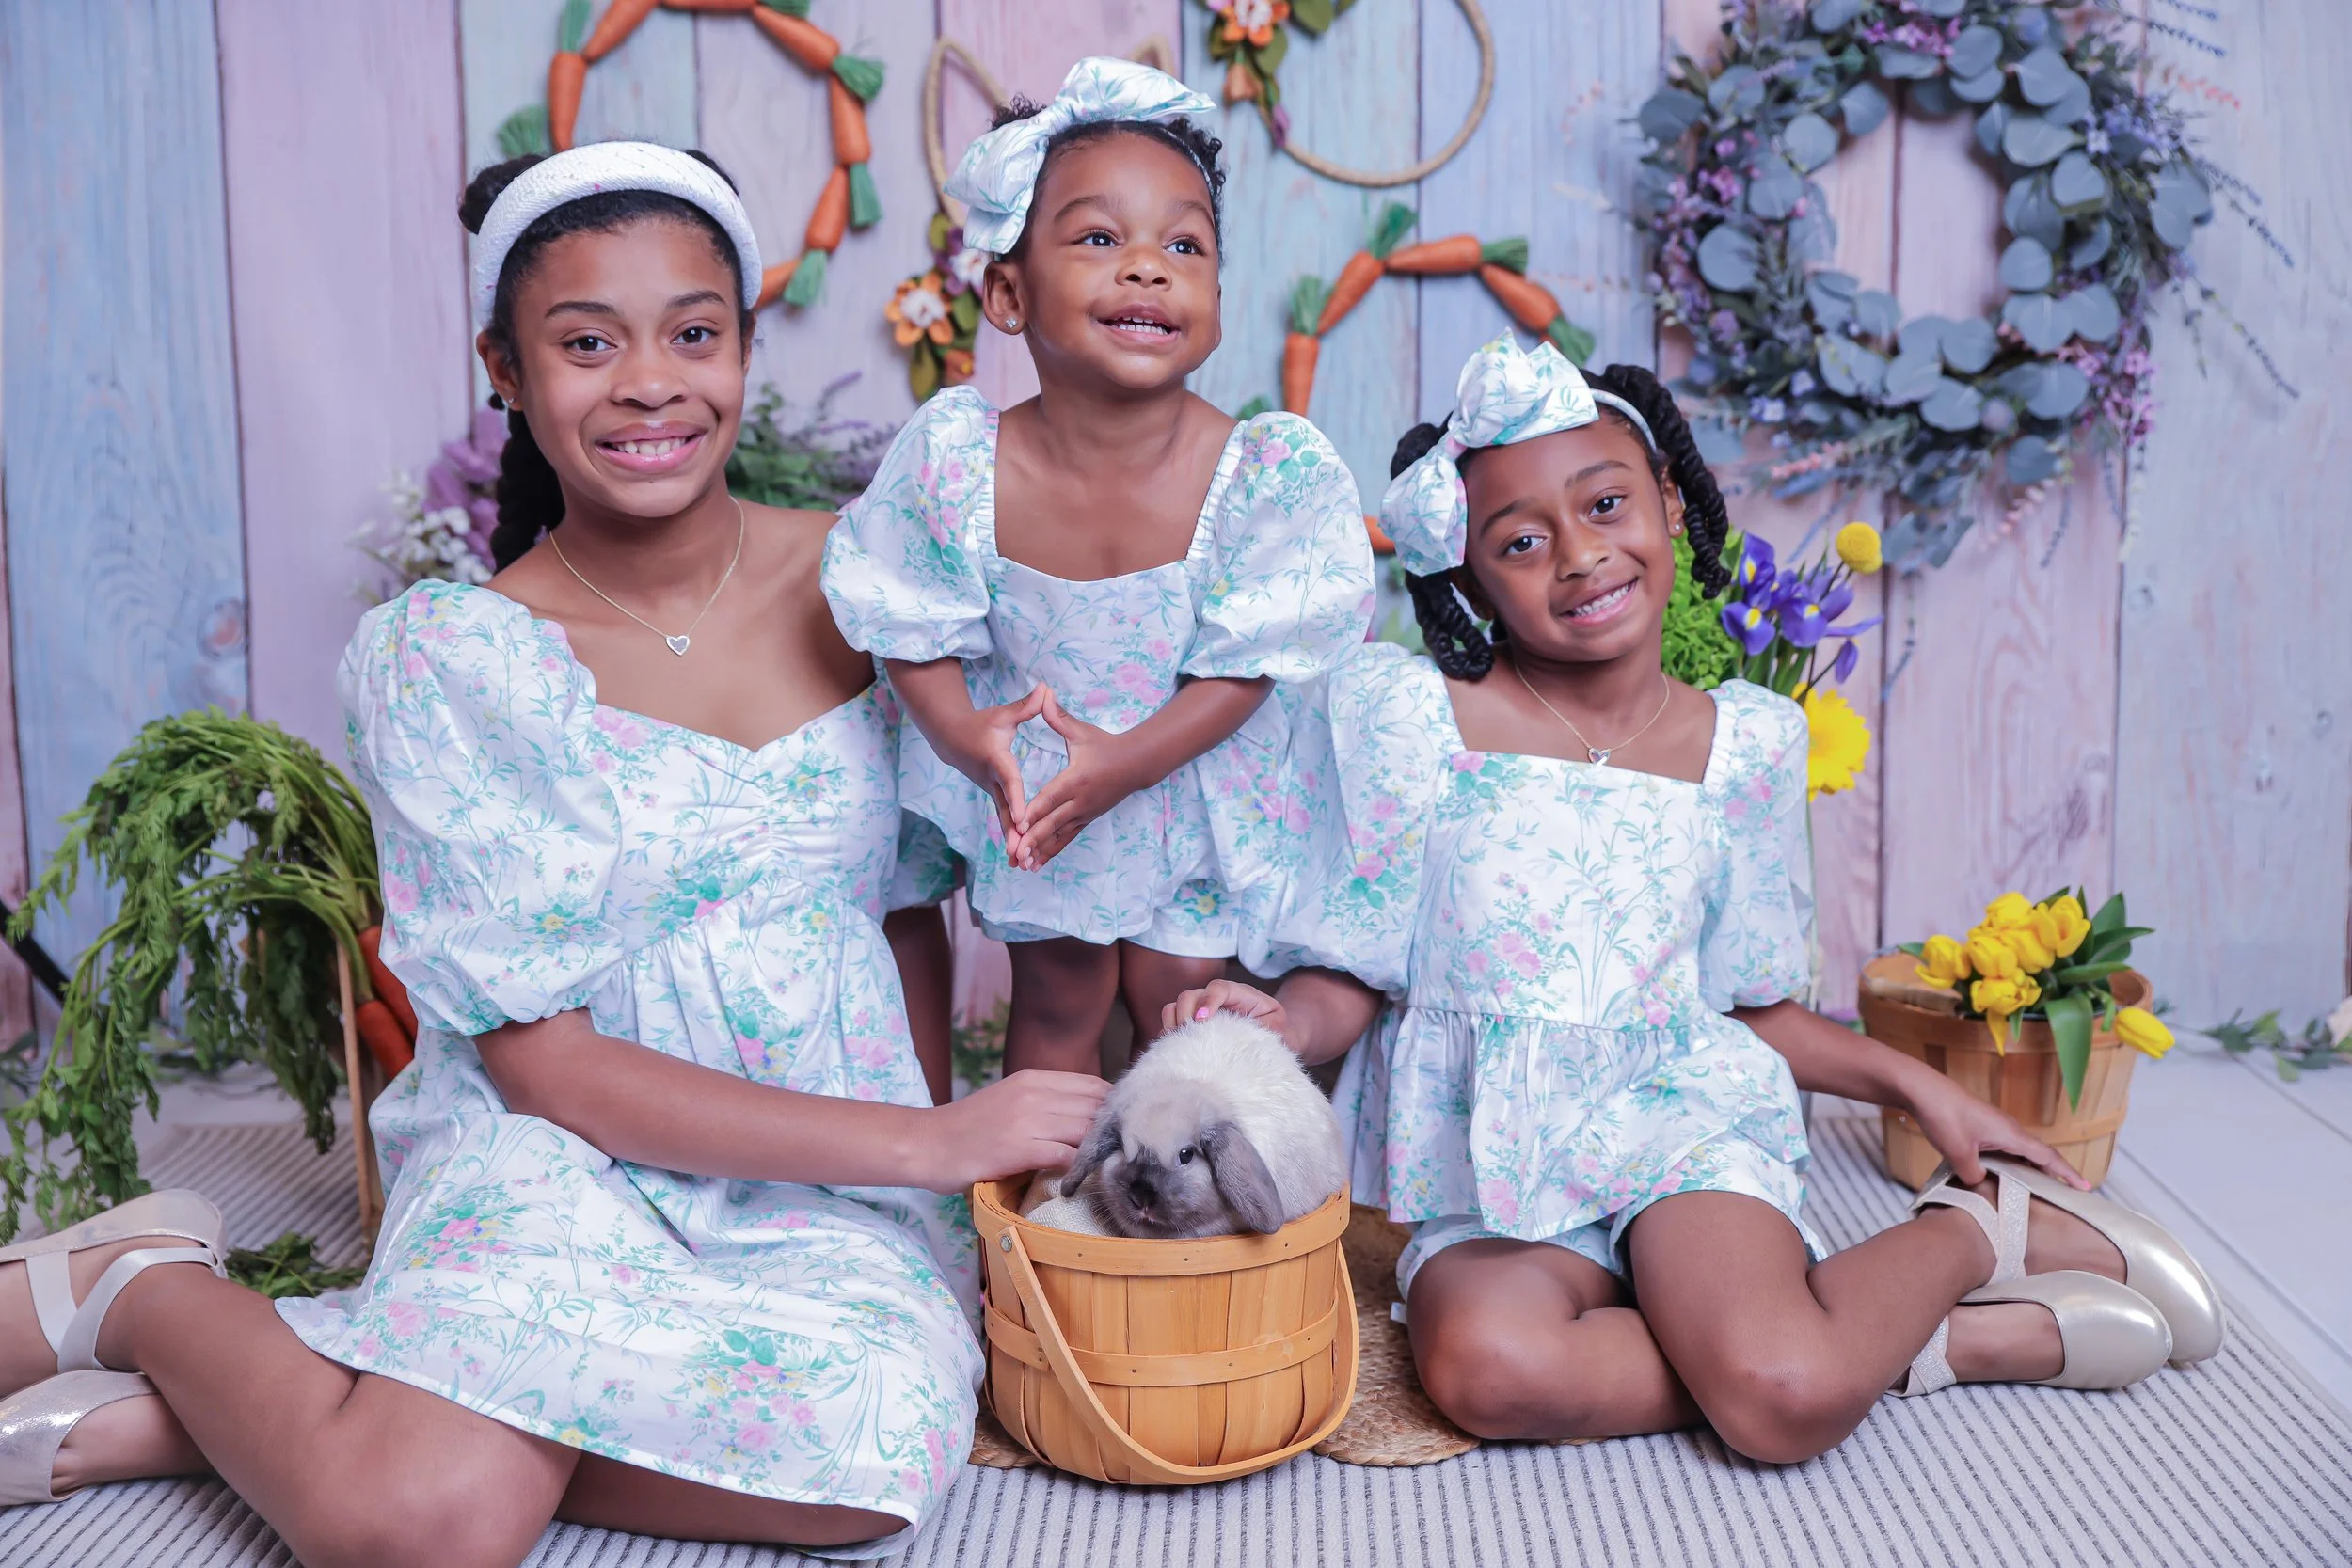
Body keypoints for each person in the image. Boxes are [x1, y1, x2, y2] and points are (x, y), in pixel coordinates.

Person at [0, 142, 1106, 1563]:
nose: (650, 383)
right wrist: (932, 1139)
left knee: (865, 1465)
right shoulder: (458, 658)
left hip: (824, 1164)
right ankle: (147, 1287)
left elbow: (900, 913)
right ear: (507, 372)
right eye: (588, 344)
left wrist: (928, 1184)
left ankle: (267, 1409)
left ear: (744, 346)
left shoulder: (872, 588)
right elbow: (548, 1067)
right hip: (560, 1151)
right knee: (417, 1524)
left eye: (692, 334)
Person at [1163, 335, 2223, 1461]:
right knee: (1487, 1369)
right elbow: (1353, 969)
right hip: (1493, 1158)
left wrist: (1923, 1089)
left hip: (1679, 1119)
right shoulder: (1412, 721)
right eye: (1520, 540)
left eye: (1604, 504)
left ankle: (1979, 1225)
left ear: (1669, 501)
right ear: (1466, 572)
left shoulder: (1747, 747)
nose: (1579, 554)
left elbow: (1749, 1004)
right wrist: (1280, 1025)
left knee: (1780, 1399)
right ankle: (1946, 1339)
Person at [822, 58, 1374, 1078]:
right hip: (1046, 797)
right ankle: (1040, 1180)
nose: (1147, 268)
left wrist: (1130, 761)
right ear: (1007, 292)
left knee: (1184, 1002)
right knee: (1059, 997)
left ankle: (1183, 1179)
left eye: (1183, 245)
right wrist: (963, 734)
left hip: (1189, 778)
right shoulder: (961, 462)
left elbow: (1247, 665)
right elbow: (906, 617)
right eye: (1099, 239)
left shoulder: (1261, 472)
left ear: (1217, 295)